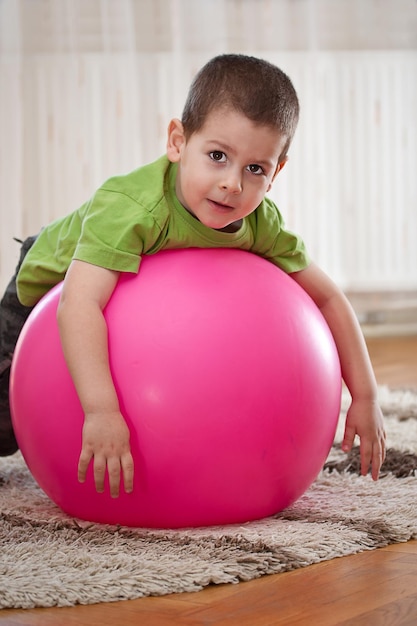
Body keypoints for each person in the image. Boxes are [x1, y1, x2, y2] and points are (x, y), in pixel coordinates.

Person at [0, 54, 386, 498]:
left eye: (255, 168)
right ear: (178, 142)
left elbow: (327, 299)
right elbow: (78, 305)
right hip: (50, 279)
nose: (232, 184)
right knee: (3, 428)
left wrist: (366, 395)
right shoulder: (131, 209)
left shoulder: (261, 222)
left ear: (276, 172)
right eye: (217, 156)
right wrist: (102, 410)